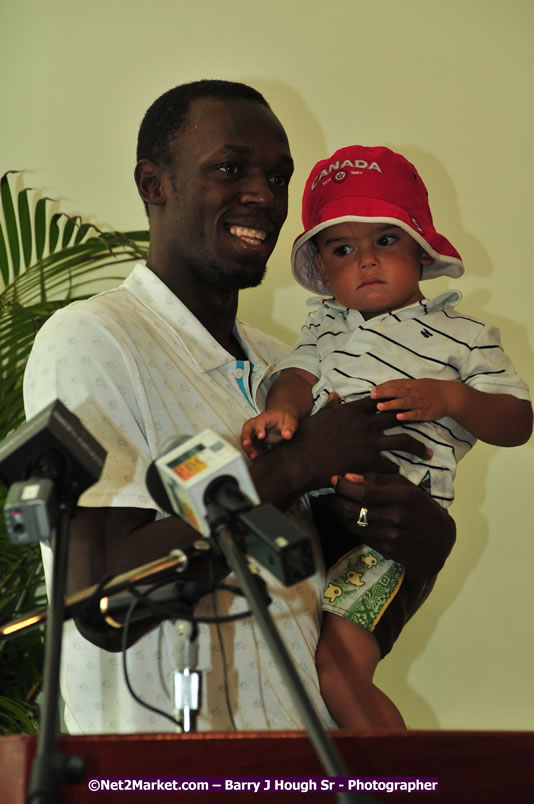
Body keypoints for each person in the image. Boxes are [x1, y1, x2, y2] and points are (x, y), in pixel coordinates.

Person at [23, 82, 456, 735]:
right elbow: (101, 595)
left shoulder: (290, 366)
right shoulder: (93, 338)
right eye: (230, 169)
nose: (264, 195)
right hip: (165, 773)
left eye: (278, 178)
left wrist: (415, 536)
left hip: (303, 763)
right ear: (154, 183)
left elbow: (317, 602)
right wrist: (303, 460)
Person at [241, 144, 533, 728]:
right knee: (288, 650)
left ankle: (403, 785)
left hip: (392, 532)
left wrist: (452, 398)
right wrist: (283, 412)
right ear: (322, 270)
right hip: (310, 513)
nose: (366, 260)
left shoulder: (463, 335)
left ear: (422, 249)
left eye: (386, 240)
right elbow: (296, 375)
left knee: (340, 668)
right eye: (343, 249)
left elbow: (518, 421)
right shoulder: (324, 324)